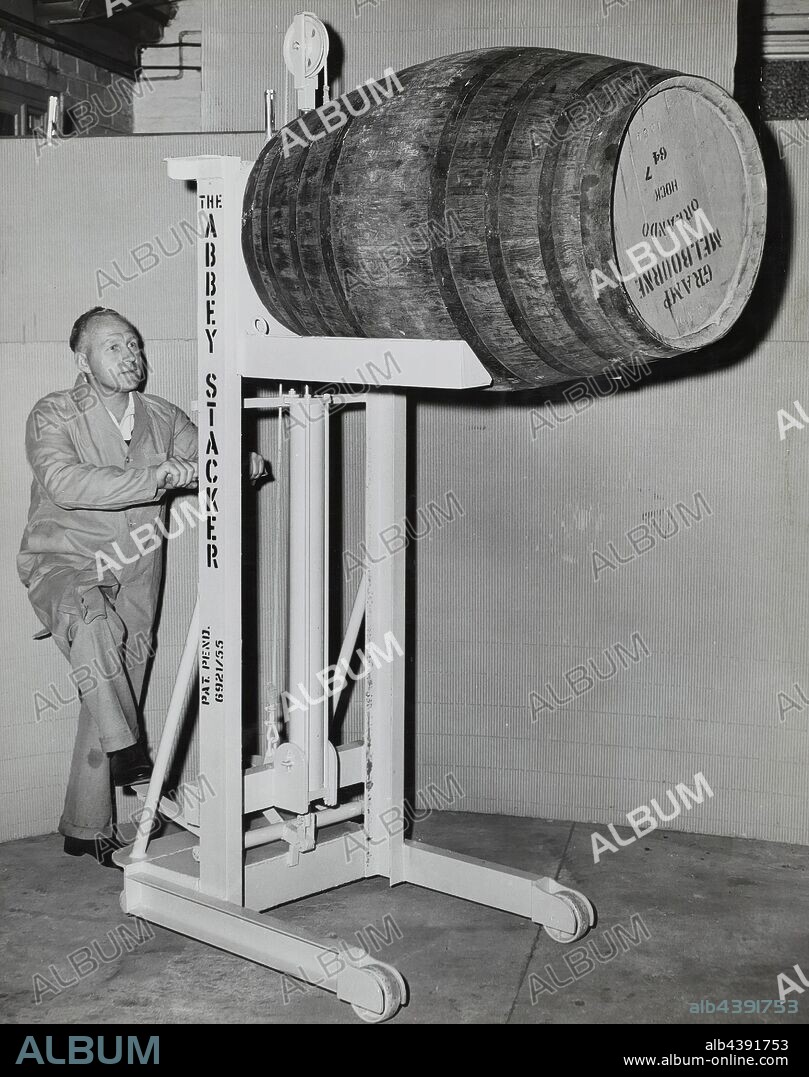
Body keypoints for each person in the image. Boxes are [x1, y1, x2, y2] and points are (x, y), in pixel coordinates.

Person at [18, 307, 265, 866]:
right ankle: (130, 752)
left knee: (108, 686)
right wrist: (158, 477)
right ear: (83, 359)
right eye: (113, 347)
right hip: (64, 559)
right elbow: (63, 480)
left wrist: (238, 460)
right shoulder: (54, 413)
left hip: (136, 571)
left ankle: (86, 827)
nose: (130, 356)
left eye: (134, 345)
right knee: (93, 627)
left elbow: (211, 454)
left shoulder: (163, 415)